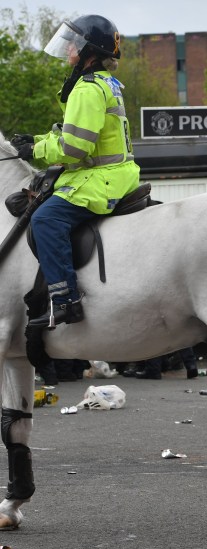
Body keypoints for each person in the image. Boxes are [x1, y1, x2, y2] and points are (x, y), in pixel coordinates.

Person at [12, 15, 139, 329]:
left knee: (45, 219)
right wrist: (37, 141)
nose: (68, 46)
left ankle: (65, 298)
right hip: (116, 173)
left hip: (100, 179)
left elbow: (74, 149)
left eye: (74, 42)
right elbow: (70, 134)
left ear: (89, 51)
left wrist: (36, 153)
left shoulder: (87, 88)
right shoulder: (102, 83)